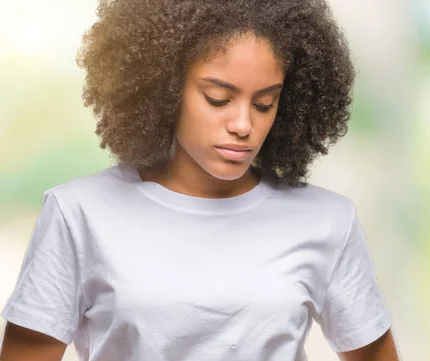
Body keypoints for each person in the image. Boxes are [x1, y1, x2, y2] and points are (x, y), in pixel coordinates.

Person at [0, 0, 400, 360]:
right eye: (218, 99)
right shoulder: (79, 214)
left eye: (265, 103)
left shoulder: (327, 221)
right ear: (166, 87)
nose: (244, 125)